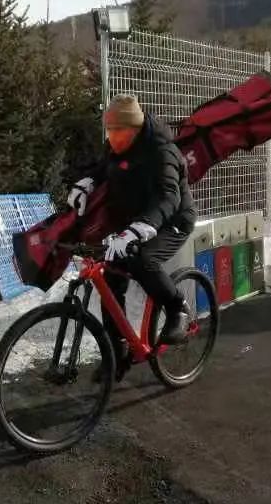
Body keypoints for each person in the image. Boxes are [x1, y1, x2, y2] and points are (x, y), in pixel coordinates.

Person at [67, 94, 197, 380]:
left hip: (172, 220)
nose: (111, 137)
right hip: (134, 221)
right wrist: (86, 183)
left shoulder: (162, 152)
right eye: (108, 130)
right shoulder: (119, 145)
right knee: (111, 276)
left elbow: (168, 198)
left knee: (143, 260)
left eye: (117, 131)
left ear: (135, 129)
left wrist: (140, 229)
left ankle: (178, 308)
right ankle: (118, 352)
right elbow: (104, 166)